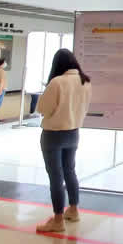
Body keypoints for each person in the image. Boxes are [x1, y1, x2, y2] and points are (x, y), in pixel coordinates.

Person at [35, 49, 92, 233]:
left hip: (53, 134)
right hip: (73, 132)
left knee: (55, 177)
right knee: (70, 171)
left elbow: (42, 108)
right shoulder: (85, 81)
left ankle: (58, 219)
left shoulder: (57, 82)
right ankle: (73, 209)